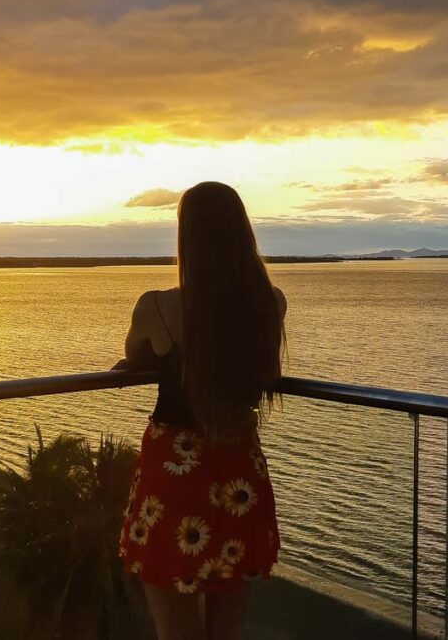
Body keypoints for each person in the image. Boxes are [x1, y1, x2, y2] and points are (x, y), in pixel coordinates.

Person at [115, 182, 286, 640]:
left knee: (177, 631)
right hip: (238, 470)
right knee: (226, 631)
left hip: (177, 474)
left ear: (186, 237)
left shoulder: (158, 307)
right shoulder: (269, 304)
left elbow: (136, 355)